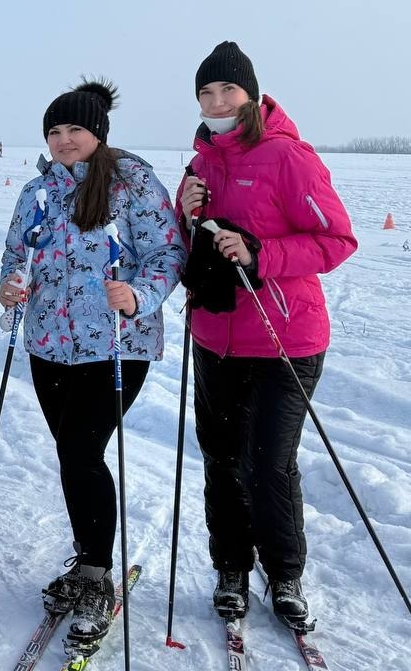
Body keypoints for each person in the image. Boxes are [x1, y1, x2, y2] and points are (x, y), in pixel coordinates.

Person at [179, 42, 356, 631]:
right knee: (221, 458)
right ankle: (231, 567)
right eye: (206, 93)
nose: (217, 103)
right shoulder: (200, 163)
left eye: (227, 91)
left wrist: (261, 253)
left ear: (251, 95)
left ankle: (284, 574)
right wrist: (186, 212)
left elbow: (336, 240)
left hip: (285, 339)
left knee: (268, 464)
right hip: (215, 337)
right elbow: (190, 245)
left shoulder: (288, 157)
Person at [0, 80, 182, 647]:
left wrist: (138, 296)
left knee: (81, 451)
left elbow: (168, 252)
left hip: (115, 346)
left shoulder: (131, 183)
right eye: (53, 131)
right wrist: (12, 284)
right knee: (71, 455)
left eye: (74, 129)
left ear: (98, 132)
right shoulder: (37, 191)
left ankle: (97, 573)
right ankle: (87, 560)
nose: (63, 140)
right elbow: (16, 252)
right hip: (49, 345)